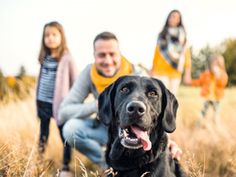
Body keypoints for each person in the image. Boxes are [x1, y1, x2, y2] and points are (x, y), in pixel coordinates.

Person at [58, 31, 182, 170]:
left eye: (112, 54)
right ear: (94, 56)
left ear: (119, 54)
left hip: (136, 128)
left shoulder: (137, 73)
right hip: (106, 126)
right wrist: (97, 105)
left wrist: (166, 142)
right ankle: (107, 165)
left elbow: (155, 110)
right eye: (101, 55)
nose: (108, 60)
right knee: (70, 129)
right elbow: (63, 112)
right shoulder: (89, 73)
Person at [36, 21, 77, 173]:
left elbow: (75, 82)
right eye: (47, 35)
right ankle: (39, 160)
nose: (50, 38)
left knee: (65, 134)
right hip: (43, 103)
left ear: (61, 37)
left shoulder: (67, 58)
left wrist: (72, 103)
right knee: (43, 134)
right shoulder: (44, 57)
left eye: (54, 34)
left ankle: (66, 165)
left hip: (60, 106)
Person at [150, 9, 191, 95]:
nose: (174, 19)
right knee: (160, 95)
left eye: (177, 17)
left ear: (179, 20)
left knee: (172, 97)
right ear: (168, 18)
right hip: (160, 70)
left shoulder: (183, 36)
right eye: (172, 16)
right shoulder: (162, 35)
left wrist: (187, 73)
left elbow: (186, 55)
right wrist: (152, 69)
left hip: (175, 72)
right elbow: (157, 52)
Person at [191, 54, 228, 124]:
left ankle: (216, 124)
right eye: (213, 64)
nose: (215, 66)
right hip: (207, 97)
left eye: (217, 64)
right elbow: (199, 82)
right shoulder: (206, 74)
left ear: (221, 65)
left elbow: (223, 84)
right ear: (210, 64)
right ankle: (198, 123)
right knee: (203, 111)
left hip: (217, 98)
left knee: (216, 113)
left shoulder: (223, 74)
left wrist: (218, 76)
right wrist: (191, 82)